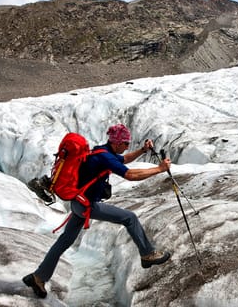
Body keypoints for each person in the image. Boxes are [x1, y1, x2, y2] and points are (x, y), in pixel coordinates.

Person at [23, 124, 172, 298]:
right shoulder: (106, 158)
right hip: (87, 205)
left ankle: (38, 277)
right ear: (117, 143)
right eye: (125, 143)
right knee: (129, 218)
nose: (127, 146)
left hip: (78, 203)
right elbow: (130, 175)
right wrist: (160, 169)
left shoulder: (102, 151)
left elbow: (123, 160)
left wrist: (142, 150)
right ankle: (148, 254)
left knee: (64, 241)